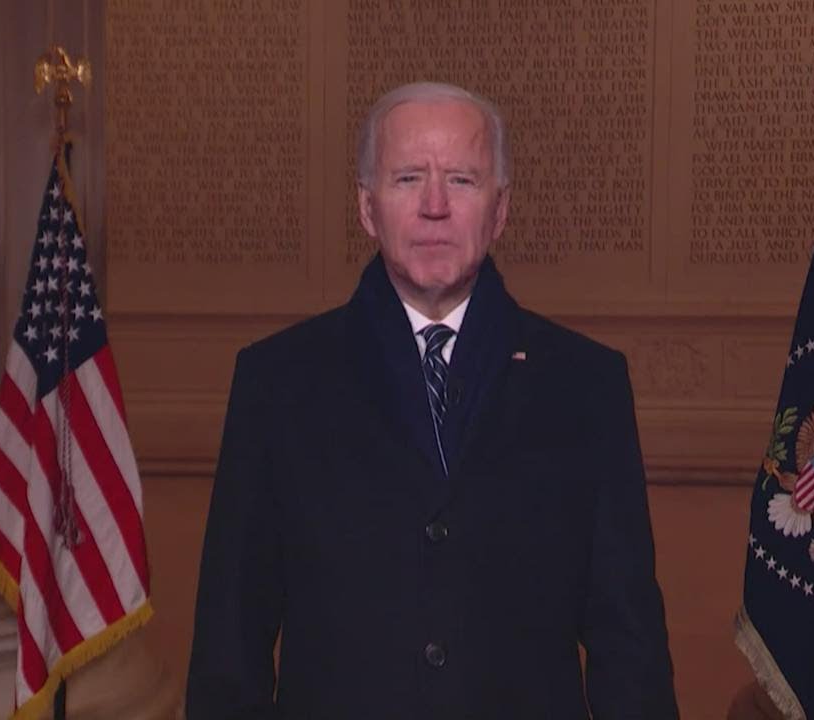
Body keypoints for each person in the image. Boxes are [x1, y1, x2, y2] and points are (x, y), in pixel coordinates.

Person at [186, 81, 678, 719]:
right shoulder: (277, 384)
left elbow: (629, 650)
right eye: (409, 178)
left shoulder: (587, 387)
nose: (435, 206)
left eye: (463, 181)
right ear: (368, 208)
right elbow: (232, 646)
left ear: (500, 210)